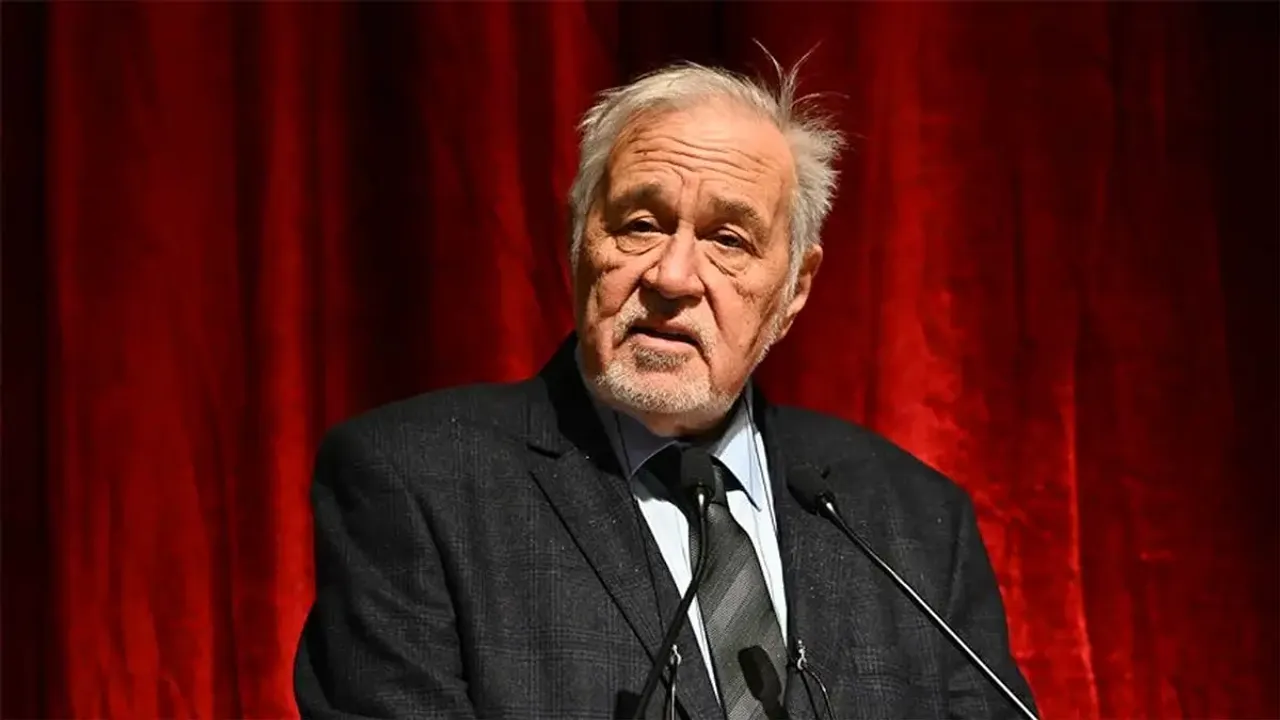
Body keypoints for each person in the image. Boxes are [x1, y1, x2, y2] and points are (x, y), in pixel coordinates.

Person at [293, 57, 1037, 720]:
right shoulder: (419, 483)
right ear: (578, 240)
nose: (673, 277)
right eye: (641, 224)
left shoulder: (912, 523)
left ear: (795, 288)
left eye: (728, 240)